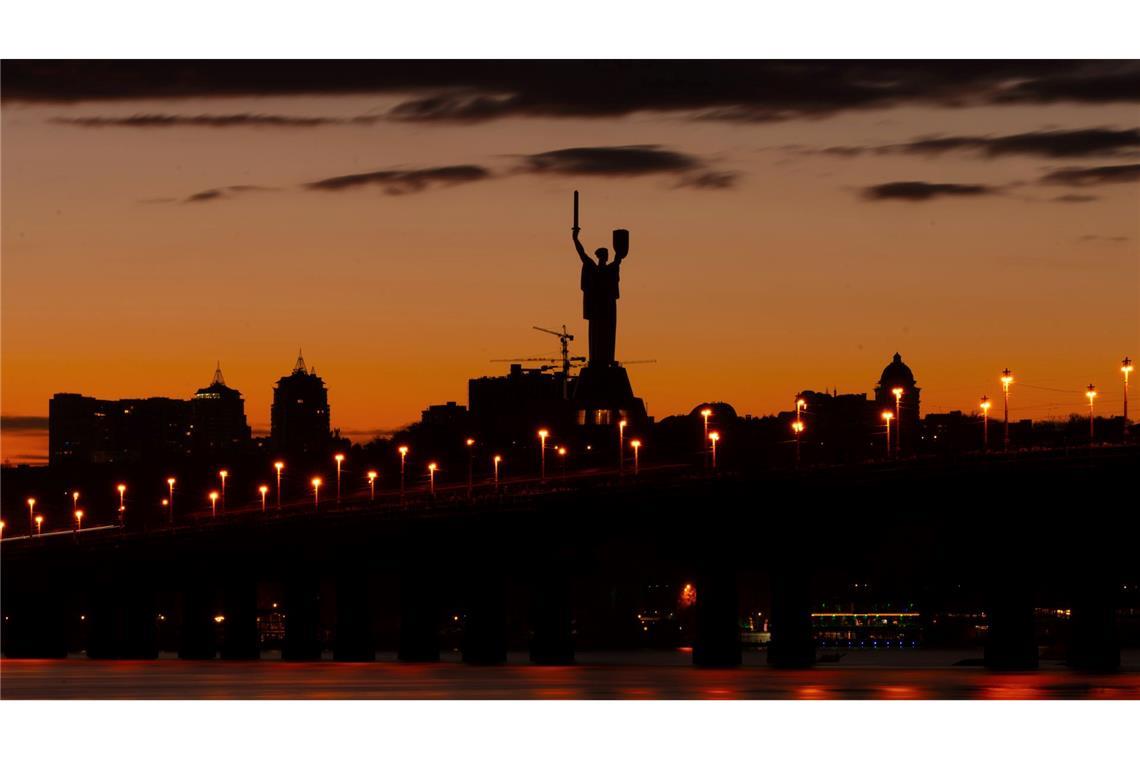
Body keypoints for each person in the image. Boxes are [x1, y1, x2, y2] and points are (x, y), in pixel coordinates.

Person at [573, 227, 628, 367]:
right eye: (605, 256)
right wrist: (575, 239)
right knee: (597, 334)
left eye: (607, 256)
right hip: (598, 309)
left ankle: (607, 358)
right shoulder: (593, 268)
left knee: (608, 334)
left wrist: (620, 252)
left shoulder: (608, 269)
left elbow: (618, 260)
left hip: (607, 308)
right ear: (600, 257)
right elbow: (582, 254)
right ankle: (598, 358)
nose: (606, 258)